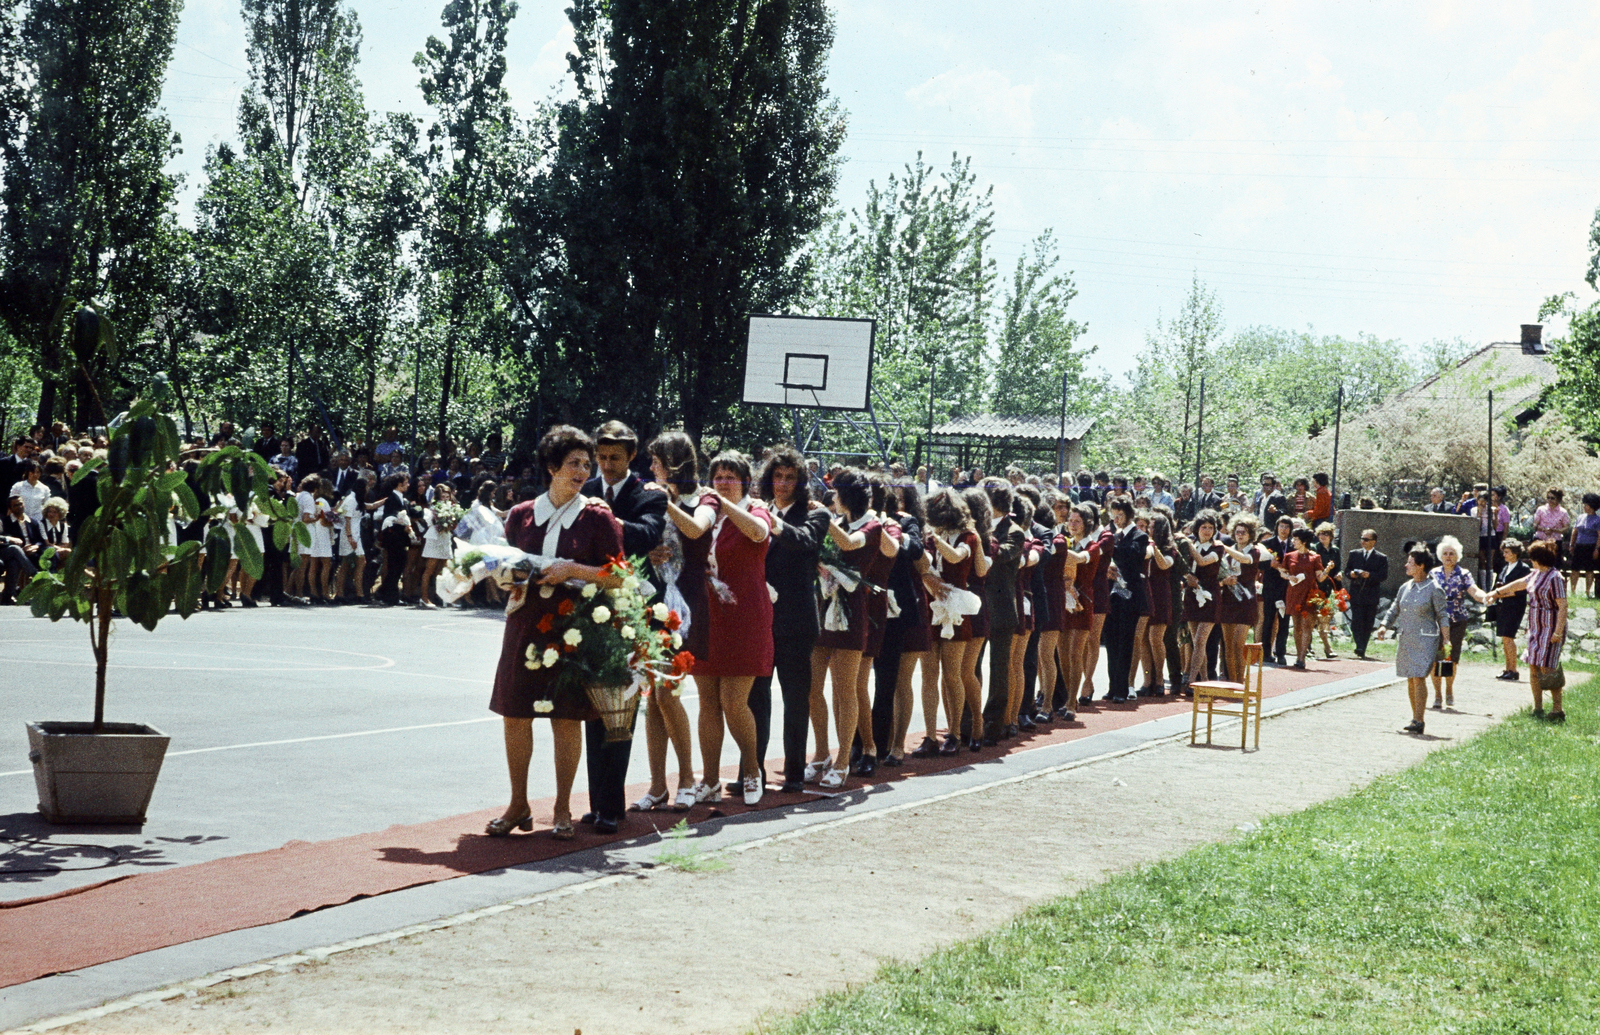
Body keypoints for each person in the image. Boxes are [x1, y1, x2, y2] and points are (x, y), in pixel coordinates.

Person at [487, 425, 626, 839]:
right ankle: (518, 805)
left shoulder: (598, 516)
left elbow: (619, 576)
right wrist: (506, 578)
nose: (584, 470)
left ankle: (563, 808)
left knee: (565, 718)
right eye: (574, 463)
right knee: (515, 714)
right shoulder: (521, 514)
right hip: (524, 622)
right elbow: (502, 567)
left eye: (587, 463)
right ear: (551, 467)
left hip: (572, 628)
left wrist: (573, 570)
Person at [579, 421, 667, 830]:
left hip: (633, 614)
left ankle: (612, 808)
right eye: (601, 457)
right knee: (592, 708)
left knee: (621, 709)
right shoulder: (586, 490)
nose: (606, 465)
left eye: (615, 458)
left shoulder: (648, 494)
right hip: (588, 610)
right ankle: (598, 801)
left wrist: (599, 519)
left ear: (632, 457)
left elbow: (647, 536)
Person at [684, 452, 773, 807]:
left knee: (734, 703)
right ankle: (709, 779)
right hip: (707, 616)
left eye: (730, 476)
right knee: (708, 702)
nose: (723, 482)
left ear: (745, 481)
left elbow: (759, 532)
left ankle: (751, 769)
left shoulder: (756, 509)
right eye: (717, 476)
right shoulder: (704, 513)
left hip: (745, 616)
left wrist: (723, 503)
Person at [749, 447, 829, 792]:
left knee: (796, 699)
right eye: (777, 476)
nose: (782, 484)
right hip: (758, 619)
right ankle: (751, 772)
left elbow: (806, 541)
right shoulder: (755, 511)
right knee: (755, 699)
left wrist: (773, 523)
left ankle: (794, 772)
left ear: (800, 482)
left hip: (796, 620)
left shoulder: (815, 514)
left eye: (790, 478)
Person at [638, 432, 704, 812]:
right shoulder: (649, 494)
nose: (651, 469)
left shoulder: (700, 499)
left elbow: (697, 533)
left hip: (685, 602)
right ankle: (658, 784)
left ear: (673, 463)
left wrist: (665, 501)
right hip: (653, 597)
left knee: (668, 693)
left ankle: (688, 778)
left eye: (657, 462)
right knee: (653, 695)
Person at [809, 469, 888, 786]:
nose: (832, 499)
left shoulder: (872, 525)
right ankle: (820, 754)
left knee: (845, 690)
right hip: (826, 605)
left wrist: (822, 517)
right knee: (813, 687)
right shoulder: (839, 520)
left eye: (836, 494)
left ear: (847, 497)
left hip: (854, 611)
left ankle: (843, 761)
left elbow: (850, 544)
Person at [873, 478, 933, 767]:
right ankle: (875, 742)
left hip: (906, 607)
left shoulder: (909, 524)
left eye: (896, 497)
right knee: (880, 681)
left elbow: (916, 552)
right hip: (875, 606)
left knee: (901, 680)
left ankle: (897, 745)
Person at [923, 487, 984, 754]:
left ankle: (955, 733)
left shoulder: (968, 537)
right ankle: (929, 735)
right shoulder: (932, 536)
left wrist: (937, 542)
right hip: (931, 607)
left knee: (952, 675)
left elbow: (956, 556)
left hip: (956, 611)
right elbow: (922, 567)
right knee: (928, 676)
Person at [1491, 540, 1569, 721]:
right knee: (1533, 666)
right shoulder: (1534, 574)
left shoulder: (1555, 577)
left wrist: (1558, 632)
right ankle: (1538, 708)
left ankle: (1558, 709)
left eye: (1533, 557)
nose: (1530, 561)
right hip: (1535, 627)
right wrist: (1496, 593)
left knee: (1548, 668)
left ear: (1539, 558)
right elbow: (1518, 584)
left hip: (1551, 628)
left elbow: (1562, 605)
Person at [1376, 548, 1451, 735]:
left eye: (1410, 562)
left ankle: (1419, 720)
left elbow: (1442, 616)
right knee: (1411, 678)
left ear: (1421, 566)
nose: (1406, 565)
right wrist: (1384, 625)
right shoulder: (1405, 587)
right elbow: (1394, 609)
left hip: (1426, 639)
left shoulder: (1434, 588)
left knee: (1418, 677)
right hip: (1407, 636)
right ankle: (1414, 717)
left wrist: (1447, 640)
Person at [978, 478, 1026, 740]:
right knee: (971, 668)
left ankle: (994, 725)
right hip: (977, 608)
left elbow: (1002, 555)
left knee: (999, 671)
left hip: (1001, 610)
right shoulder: (978, 527)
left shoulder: (1014, 531)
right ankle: (970, 723)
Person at [1428, 535, 1490, 710]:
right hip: (1436, 621)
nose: (1448, 556)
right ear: (1440, 556)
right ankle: (1437, 694)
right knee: (1436, 659)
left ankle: (1449, 689)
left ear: (1458, 556)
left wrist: (1485, 597)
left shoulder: (1464, 574)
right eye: (1445, 553)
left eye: (1452, 553)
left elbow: (1474, 590)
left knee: (1450, 659)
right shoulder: (1433, 573)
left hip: (1456, 620)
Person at [1101, 496, 1148, 704]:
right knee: (1111, 641)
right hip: (1112, 594)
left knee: (1126, 642)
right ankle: (1112, 687)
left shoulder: (1139, 536)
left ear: (1128, 515)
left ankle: (1122, 687)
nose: (1116, 519)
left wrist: (1110, 547)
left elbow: (1132, 556)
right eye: (1114, 515)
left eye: (1120, 515)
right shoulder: (1113, 535)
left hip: (1130, 595)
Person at [1178, 510, 1222, 693]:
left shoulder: (1218, 547)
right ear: (1197, 529)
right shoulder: (1191, 545)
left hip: (1210, 597)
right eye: (1204, 527)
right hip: (1191, 595)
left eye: (1211, 527)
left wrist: (1188, 543)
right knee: (1196, 643)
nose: (1207, 531)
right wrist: (1187, 577)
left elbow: (1203, 561)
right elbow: (1182, 566)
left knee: (1200, 640)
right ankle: (1204, 681)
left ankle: (1192, 681)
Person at [1215, 515, 1263, 683]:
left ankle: (1240, 681)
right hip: (1228, 599)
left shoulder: (1254, 550)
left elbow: (1244, 559)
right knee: (1227, 645)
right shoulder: (1228, 552)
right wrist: (1224, 581)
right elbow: (1220, 573)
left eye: (1244, 532)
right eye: (1237, 532)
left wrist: (1225, 548)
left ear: (1251, 534)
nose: (1240, 535)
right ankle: (1232, 680)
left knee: (1238, 643)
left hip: (1245, 601)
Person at [1136, 513, 1176, 694]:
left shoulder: (1170, 548)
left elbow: (1164, 565)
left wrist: (1154, 547)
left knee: (1155, 638)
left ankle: (1160, 679)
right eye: (1147, 527)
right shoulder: (1141, 544)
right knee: (1143, 639)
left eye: (1153, 527)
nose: (1149, 530)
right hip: (1144, 591)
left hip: (1160, 593)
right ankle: (1147, 680)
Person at [1277, 528, 1323, 670]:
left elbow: (1320, 577)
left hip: (1309, 593)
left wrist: (1327, 570)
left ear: (1303, 541)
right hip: (1294, 592)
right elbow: (1283, 573)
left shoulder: (1315, 557)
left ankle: (1302, 657)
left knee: (1307, 625)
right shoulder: (1289, 556)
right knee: (1296, 626)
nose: (1293, 541)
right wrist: (1288, 576)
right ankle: (1298, 655)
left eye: (1296, 539)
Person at [1345, 529, 1388, 659]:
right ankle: (1359, 645)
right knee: (1356, 621)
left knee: (1368, 622)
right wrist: (1351, 574)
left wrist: (1370, 575)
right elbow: (1347, 569)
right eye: (1362, 538)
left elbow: (1383, 576)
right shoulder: (1354, 554)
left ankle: (1362, 646)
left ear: (1373, 542)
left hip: (1371, 595)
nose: (1363, 541)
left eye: (1366, 539)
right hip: (1356, 593)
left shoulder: (1381, 558)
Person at [1491, 538, 1531, 682]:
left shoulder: (1524, 568)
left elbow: (1522, 590)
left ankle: (1513, 670)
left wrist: (1501, 594)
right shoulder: (1504, 567)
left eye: (1507, 552)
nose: (1504, 555)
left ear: (1515, 553)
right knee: (1504, 638)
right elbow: (1498, 585)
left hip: (1515, 606)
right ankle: (1507, 668)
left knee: (1509, 637)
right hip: (1503, 606)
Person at [1312, 522, 1342, 660]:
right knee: (1313, 618)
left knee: (1325, 619)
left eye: (1326, 534)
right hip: (1315, 587)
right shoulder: (1314, 549)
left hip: (1328, 588)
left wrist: (1338, 574)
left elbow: (1338, 568)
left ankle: (1326, 647)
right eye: (1320, 534)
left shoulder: (1335, 550)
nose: (1322, 536)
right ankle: (1312, 647)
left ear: (1331, 536)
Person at [1568, 492, 1599, 599]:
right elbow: (1575, 531)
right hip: (1579, 546)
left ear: (1592, 506)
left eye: (1586, 505)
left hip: (1590, 547)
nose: (1584, 506)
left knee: (1589, 570)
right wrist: (1572, 544)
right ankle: (1572, 591)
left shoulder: (1597, 520)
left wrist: (1597, 549)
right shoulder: (1580, 517)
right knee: (1575, 569)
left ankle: (1587, 592)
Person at [1532, 488, 1571, 570]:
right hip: (1540, 540)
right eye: (1548, 497)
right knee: (1539, 564)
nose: (1550, 500)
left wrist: (1553, 530)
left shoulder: (1563, 512)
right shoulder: (1541, 509)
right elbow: (1535, 525)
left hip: (1555, 542)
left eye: (1552, 498)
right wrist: (1544, 529)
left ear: (1558, 499)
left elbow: (1566, 528)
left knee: (1554, 566)